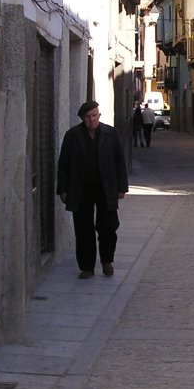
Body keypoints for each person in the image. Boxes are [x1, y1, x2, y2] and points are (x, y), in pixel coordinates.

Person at [56, 100, 128, 280]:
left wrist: (122, 187)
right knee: (83, 228)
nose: (91, 119)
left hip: (106, 188)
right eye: (88, 117)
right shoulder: (72, 136)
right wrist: (63, 190)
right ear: (82, 118)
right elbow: (63, 164)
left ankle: (107, 261)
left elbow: (120, 161)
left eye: (94, 115)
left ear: (99, 115)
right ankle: (87, 266)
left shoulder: (110, 134)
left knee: (108, 227)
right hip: (81, 189)